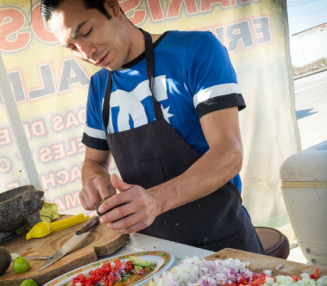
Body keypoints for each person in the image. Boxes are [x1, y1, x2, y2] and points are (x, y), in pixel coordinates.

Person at [41, 0, 264, 253]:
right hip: (154, 255)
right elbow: (93, 162)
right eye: (72, 46)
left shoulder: (195, 50)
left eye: (86, 32)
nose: (85, 52)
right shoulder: (98, 87)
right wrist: (95, 181)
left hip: (224, 244)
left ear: (113, 6)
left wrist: (157, 200)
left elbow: (228, 153)